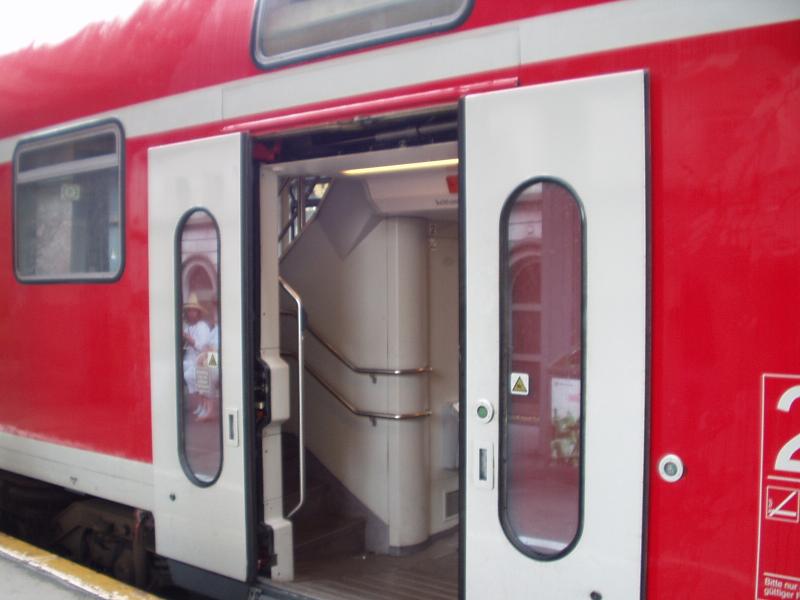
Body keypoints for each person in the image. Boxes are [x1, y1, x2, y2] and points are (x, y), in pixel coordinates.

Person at [182, 293, 211, 416]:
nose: (191, 313)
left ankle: (206, 407)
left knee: (195, 378)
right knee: (189, 375)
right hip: (191, 359)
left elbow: (203, 347)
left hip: (204, 360)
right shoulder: (188, 327)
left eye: (193, 311)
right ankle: (201, 404)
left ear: (198, 313)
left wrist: (190, 340)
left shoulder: (202, 326)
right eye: (189, 311)